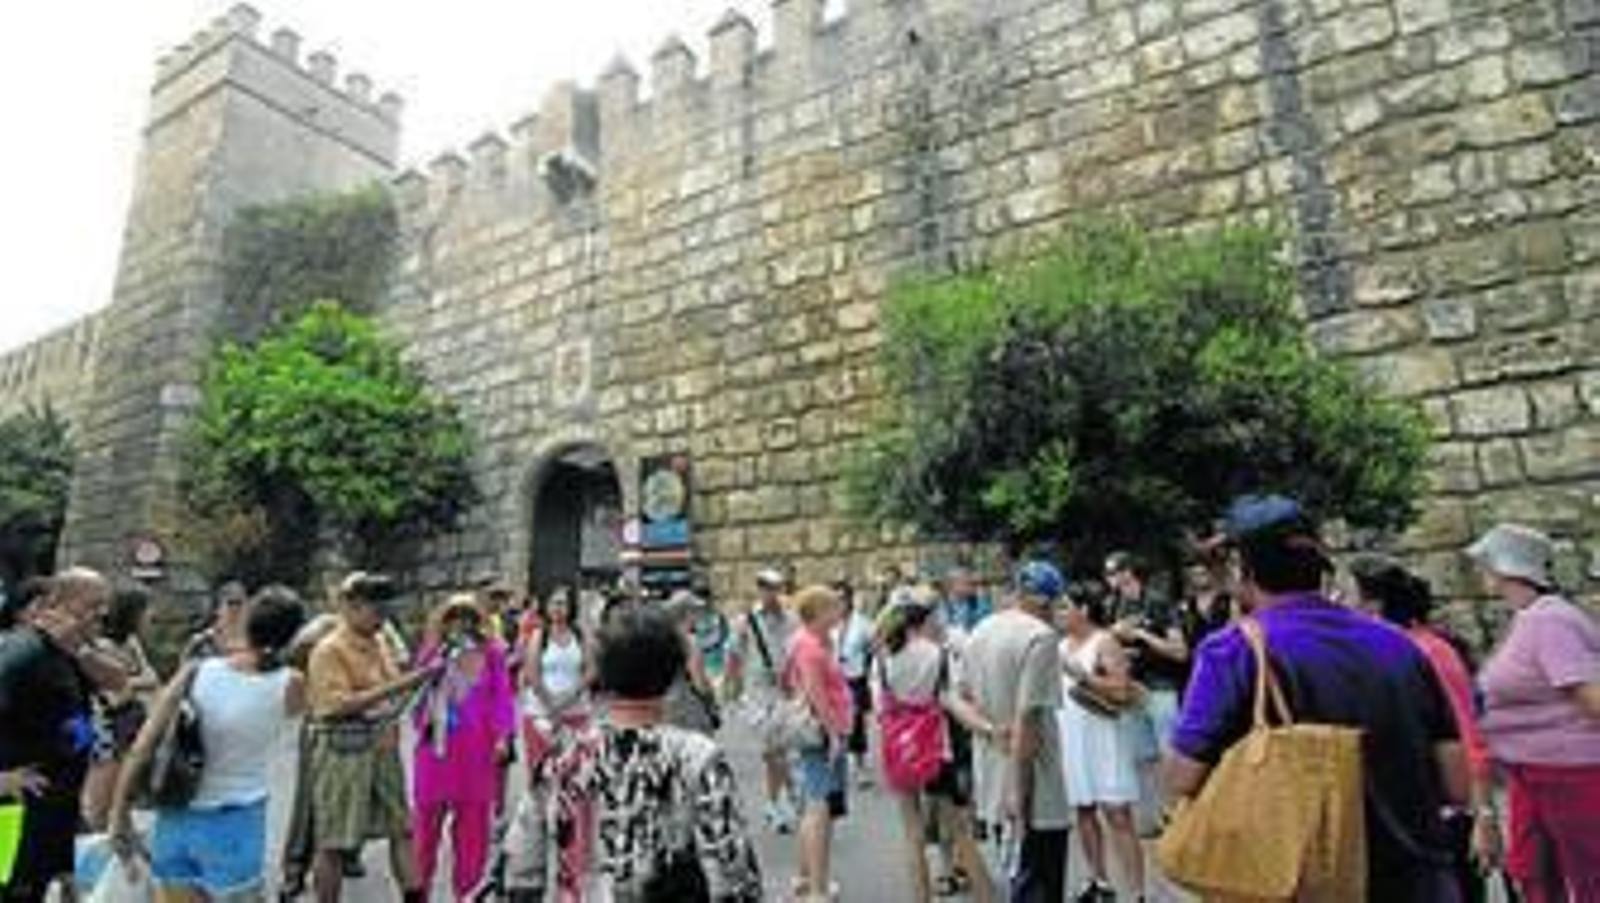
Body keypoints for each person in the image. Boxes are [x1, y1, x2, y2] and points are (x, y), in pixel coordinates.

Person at [1167, 495, 1467, 900]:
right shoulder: (1399, 645)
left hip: (1306, 882)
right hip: (1420, 879)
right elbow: (1456, 783)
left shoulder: (1233, 651)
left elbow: (1183, 777)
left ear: (1242, 568)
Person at [510, 603, 762, 901]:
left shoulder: (564, 759)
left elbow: (521, 868)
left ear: (603, 674)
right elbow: (732, 865)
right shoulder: (697, 757)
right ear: (672, 674)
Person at [108, 586, 308, 900]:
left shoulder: (196, 670)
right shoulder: (291, 684)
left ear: (247, 622)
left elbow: (142, 747)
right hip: (236, 821)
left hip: (175, 815)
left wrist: (119, 815)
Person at [1348, 554, 1496, 903]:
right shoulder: (1398, 649)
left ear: (1373, 604)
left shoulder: (1425, 651)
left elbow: (1466, 733)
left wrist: (1483, 814)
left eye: (1349, 595)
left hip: (1443, 817)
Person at [1467, 523, 1600, 903]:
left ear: (1504, 567)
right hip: (1536, 774)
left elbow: (1591, 698)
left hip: (1571, 773)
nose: (1480, 571)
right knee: (1535, 875)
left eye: (1485, 563)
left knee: (1590, 880)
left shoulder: (1549, 620)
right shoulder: (1531, 619)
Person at [304, 572, 440, 903]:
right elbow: (334, 706)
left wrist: (422, 683)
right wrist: (405, 684)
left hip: (383, 748)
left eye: (385, 610)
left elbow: (393, 696)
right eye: (376, 610)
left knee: (402, 830)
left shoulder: (379, 643)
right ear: (351, 607)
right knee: (334, 841)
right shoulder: (328, 650)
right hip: (342, 753)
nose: (382, 618)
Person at [875, 590, 1000, 903]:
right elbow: (951, 701)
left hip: (900, 750)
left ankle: (921, 898)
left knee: (912, 833)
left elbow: (879, 708)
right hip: (935, 748)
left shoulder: (883, 658)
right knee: (960, 830)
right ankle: (986, 896)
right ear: (924, 619)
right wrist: (988, 729)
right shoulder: (936, 654)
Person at [961, 560, 1072, 903]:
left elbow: (962, 699)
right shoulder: (1040, 637)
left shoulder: (980, 630)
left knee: (1016, 880)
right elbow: (1028, 718)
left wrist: (991, 729)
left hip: (991, 775)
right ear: (1046, 601)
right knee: (1038, 885)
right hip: (1034, 786)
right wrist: (1019, 793)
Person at [0, 568, 112, 903]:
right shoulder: (24, 651)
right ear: (59, 604)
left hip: (51, 813)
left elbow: (118, 682)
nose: (102, 613)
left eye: (105, 604)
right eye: (92, 604)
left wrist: (63, 863)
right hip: (13, 816)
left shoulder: (68, 653)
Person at [411, 594, 516, 900]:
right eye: (454, 617)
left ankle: (467, 896)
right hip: (435, 756)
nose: (461, 624)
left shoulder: (493, 654)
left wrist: (502, 736)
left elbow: (502, 697)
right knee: (424, 836)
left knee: (472, 838)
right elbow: (416, 704)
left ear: (477, 621)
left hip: (476, 756)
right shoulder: (432, 653)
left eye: (467, 617)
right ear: (443, 622)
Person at [1055, 584, 1144, 903]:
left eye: (1065, 607)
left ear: (1084, 610)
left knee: (1117, 813)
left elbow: (1122, 689)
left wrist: (1084, 676)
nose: (1058, 613)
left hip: (1104, 737)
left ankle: (1136, 893)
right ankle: (1099, 881)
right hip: (1072, 736)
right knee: (1083, 810)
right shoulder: (1060, 645)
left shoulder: (1104, 641)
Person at [783, 585, 853, 903]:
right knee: (819, 808)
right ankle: (816, 889)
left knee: (816, 805)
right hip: (822, 733)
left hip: (824, 730)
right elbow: (816, 692)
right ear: (819, 612)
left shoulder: (811, 641)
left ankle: (806, 879)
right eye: (833, 607)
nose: (839, 611)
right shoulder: (809, 645)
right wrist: (834, 732)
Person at [726, 567, 802, 833]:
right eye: (767, 587)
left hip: (787, 692)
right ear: (759, 589)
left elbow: (798, 653)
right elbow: (733, 656)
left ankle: (779, 801)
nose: (772, 593)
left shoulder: (792, 618)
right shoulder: (745, 621)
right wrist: (731, 690)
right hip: (758, 695)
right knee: (773, 750)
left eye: (776, 588)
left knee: (779, 750)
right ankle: (780, 802)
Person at [81, 582, 162, 832]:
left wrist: (132, 683)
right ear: (132, 612)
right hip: (109, 729)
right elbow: (117, 694)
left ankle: (122, 844)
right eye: (148, 609)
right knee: (102, 806)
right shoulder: (103, 646)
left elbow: (151, 679)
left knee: (123, 799)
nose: (153, 615)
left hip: (132, 725)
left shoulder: (131, 642)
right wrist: (137, 683)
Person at [662, 590, 722, 734]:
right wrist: (711, 700)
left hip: (664, 707)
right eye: (695, 611)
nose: (698, 615)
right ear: (686, 613)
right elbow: (699, 681)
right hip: (688, 707)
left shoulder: (660, 638)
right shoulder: (689, 641)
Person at [833, 581, 875, 785]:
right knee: (834, 722)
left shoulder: (862, 623)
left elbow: (874, 646)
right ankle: (837, 762)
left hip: (854, 678)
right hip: (833, 678)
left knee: (856, 722)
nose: (838, 603)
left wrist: (867, 667)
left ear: (850, 600)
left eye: (842, 598)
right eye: (835, 599)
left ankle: (859, 765)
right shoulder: (829, 622)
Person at [181, 580, 248, 662]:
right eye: (231, 603)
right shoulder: (202, 642)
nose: (235, 608)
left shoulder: (255, 644)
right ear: (217, 610)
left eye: (239, 603)